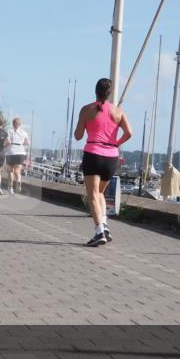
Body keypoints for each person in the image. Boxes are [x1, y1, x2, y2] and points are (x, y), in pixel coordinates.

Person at [74, 78, 133, 247]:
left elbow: (78, 136)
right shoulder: (118, 111)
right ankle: (105, 225)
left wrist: (85, 125)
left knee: (92, 195)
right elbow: (129, 132)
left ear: (95, 91)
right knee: (100, 193)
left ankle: (99, 231)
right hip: (111, 157)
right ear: (109, 93)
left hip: (93, 154)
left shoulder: (86, 110)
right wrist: (116, 143)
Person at [4, 117, 30, 194]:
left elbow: (8, 141)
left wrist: (4, 145)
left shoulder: (9, 131)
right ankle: (18, 181)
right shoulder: (24, 133)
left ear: (13, 124)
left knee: (10, 171)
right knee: (17, 170)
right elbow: (27, 143)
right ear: (20, 124)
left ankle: (10, 188)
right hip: (21, 152)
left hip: (11, 152)